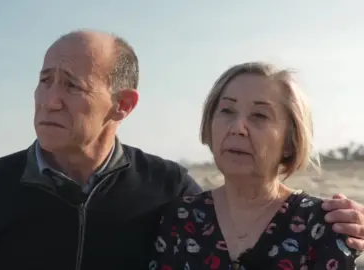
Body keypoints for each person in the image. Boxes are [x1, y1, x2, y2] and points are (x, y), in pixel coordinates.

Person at [0, 31, 364, 270]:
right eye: (44, 80)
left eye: (72, 85)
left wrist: (351, 223)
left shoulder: (169, 192)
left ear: (122, 105)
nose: (50, 99)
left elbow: (246, 204)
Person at [150, 62, 360, 269]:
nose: (237, 128)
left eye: (259, 115)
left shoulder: (322, 225)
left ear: (290, 141)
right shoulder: (180, 218)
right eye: (227, 111)